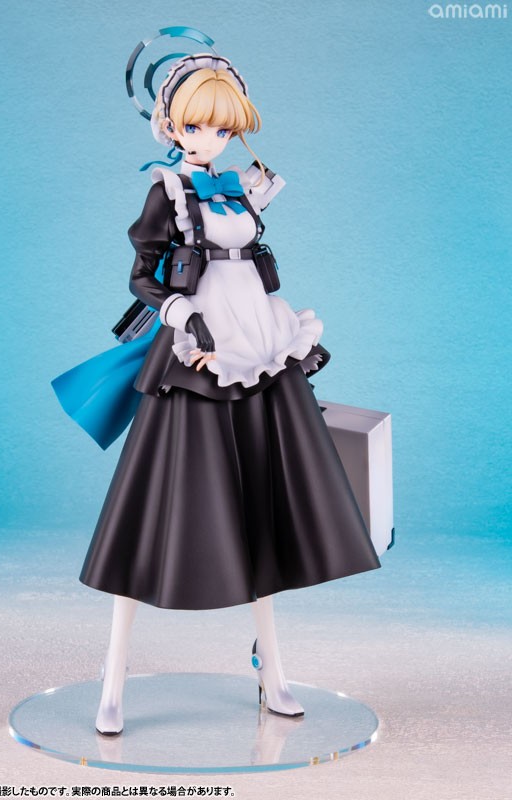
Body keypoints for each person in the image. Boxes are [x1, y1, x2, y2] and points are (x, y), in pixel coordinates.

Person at [65, 53, 381, 736]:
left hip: (258, 346)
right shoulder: (167, 190)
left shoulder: (238, 189)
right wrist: (181, 314)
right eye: (193, 126)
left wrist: (291, 341)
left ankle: (273, 669)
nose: (206, 139)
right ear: (169, 125)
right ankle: (114, 675)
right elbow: (142, 277)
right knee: (151, 506)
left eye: (220, 128)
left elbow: (250, 271)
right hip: (197, 356)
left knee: (261, 500)